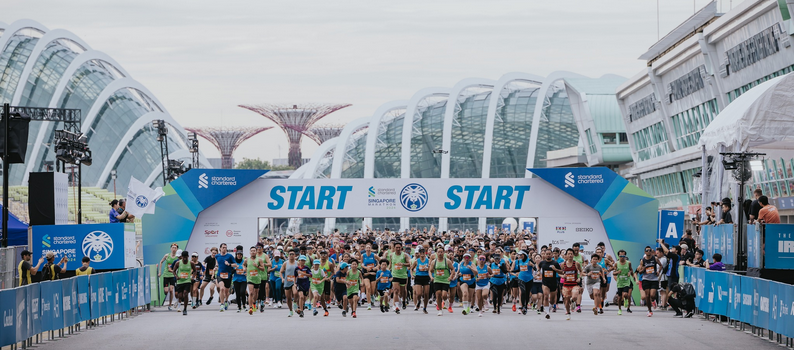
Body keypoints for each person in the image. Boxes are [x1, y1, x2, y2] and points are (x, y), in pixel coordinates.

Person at [637, 246, 662, 317]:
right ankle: (649, 310)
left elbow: (661, 265)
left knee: (652, 295)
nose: (648, 251)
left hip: (654, 279)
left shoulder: (655, 258)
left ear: (651, 251)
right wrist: (644, 268)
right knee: (647, 295)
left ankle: (653, 300)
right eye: (647, 250)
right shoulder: (643, 260)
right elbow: (640, 271)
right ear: (645, 252)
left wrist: (658, 272)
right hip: (646, 279)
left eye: (649, 250)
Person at [429, 245, 453, 316]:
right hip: (437, 279)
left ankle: (445, 300)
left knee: (444, 295)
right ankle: (440, 310)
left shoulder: (447, 261)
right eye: (438, 252)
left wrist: (451, 276)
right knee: (438, 294)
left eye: (441, 252)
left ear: (444, 253)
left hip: (445, 280)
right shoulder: (434, 261)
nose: (440, 253)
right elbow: (430, 270)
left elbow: (453, 269)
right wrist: (431, 277)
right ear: (436, 253)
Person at [539, 250, 562, 319]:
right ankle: (547, 313)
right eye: (547, 254)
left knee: (552, 300)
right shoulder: (542, 263)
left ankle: (549, 307)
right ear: (545, 255)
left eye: (549, 254)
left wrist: (555, 269)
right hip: (545, 282)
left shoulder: (555, 263)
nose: (548, 255)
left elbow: (561, 271)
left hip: (553, 283)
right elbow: (538, 269)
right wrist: (538, 272)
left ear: (552, 255)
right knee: (546, 295)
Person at [388, 241, 411, 313]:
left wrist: (403, 264)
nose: (398, 249)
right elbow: (390, 264)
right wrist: (388, 272)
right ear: (394, 248)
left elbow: (410, 264)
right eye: (396, 247)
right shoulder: (391, 255)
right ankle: (396, 306)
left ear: (401, 247)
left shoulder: (405, 255)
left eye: (399, 247)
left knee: (402, 291)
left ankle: (403, 301)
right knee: (395, 290)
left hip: (403, 275)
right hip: (395, 275)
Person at [172, 250, 196, 315]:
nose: (185, 258)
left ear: (188, 256)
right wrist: (176, 276)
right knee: (180, 296)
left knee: (185, 294)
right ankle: (180, 303)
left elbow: (195, 271)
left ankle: (185, 309)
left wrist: (193, 277)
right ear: (181, 257)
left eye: (186, 257)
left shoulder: (191, 263)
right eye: (183, 257)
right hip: (180, 281)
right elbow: (173, 271)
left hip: (187, 281)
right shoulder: (178, 263)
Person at [560, 249, 582, 320]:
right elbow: (559, 272)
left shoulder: (576, 263)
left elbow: (581, 271)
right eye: (568, 254)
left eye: (571, 254)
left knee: (575, 296)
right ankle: (568, 312)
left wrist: (579, 278)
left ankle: (573, 301)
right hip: (566, 285)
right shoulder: (563, 264)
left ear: (573, 255)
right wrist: (562, 276)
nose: (570, 255)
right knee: (566, 301)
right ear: (566, 255)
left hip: (574, 284)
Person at [158, 244, 179, 310]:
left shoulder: (177, 257)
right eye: (173, 248)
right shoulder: (167, 255)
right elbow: (161, 262)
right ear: (170, 249)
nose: (174, 249)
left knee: (171, 290)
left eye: (175, 248)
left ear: (177, 249)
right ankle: (166, 292)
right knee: (166, 291)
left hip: (173, 275)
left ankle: (170, 305)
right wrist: (160, 272)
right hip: (166, 275)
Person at [613, 250, 635, 315]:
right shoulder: (617, 263)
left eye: (623, 256)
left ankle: (626, 300)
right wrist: (617, 272)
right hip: (620, 282)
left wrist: (630, 273)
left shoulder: (628, 263)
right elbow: (614, 273)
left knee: (625, 294)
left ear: (625, 256)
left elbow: (631, 270)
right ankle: (619, 309)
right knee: (619, 298)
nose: (622, 257)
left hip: (626, 281)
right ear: (618, 256)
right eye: (620, 256)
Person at [215, 243, 235, 311]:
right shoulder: (217, 256)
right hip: (220, 275)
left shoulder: (230, 256)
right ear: (220, 248)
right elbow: (217, 264)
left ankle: (226, 301)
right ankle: (222, 304)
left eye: (225, 247)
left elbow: (235, 264)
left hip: (228, 275)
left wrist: (229, 264)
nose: (224, 249)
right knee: (222, 288)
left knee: (226, 292)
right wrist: (216, 267)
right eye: (223, 247)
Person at [410, 248, 431, 313]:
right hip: (418, 277)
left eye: (423, 252)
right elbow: (411, 269)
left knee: (426, 293)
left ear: (425, 253)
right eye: (421, 252)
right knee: (418, 293)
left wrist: (428, 269)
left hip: (426, 277)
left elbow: (431, 269)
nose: (422, 254)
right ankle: (419, 301)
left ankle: (425, 307)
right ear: (419, 253)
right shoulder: (416, 261)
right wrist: (412, 275)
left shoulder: (428, 260)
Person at [244, 247, 263, 315]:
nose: (253, 252)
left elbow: (263, 269)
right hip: (250, 278)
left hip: (257, 278)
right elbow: (243, 265)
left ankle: (254, 302)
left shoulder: (259, 260)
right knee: (251, 292)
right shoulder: (247, 260)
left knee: (256, 293)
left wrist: (257, 266)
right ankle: (250, 307)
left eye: (254, 251)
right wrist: (244, 269)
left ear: (256, 252)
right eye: (251, 251)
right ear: (249, 252)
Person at [489, 249, 508, 315]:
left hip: (501, 280)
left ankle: (499, 307)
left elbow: (505, 271)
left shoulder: (502, 264)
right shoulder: (491, 265)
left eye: (498, 259)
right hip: (494, 280)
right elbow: (488, 271)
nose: (497, 260)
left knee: (500, 295)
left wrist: (501, 267)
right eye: (496, 259)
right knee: (495, 294)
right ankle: (494, 307)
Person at [280, 249, 298, 317]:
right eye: (290, 254)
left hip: (294, 281)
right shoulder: (285, 263)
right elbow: (281, 272)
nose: (291, 256)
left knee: (295, 293)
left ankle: (295, 303)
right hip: (287, 281)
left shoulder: (297, 263)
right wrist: (282, 278)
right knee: (288, 298)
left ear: (295, 255)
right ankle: (290, 311)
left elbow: (300, 271)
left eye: (292, 254)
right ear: (288, 255)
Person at [230, 247, 248, 312]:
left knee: (242, 292)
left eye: (240, 255)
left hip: (243, 280)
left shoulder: (244, 262)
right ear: (236, 255)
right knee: (237, 293)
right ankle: (239, 307)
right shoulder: (234, 262)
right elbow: (230, 272)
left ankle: (244, 305)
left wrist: (246, 272)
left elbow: (248, 269)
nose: (239, 256)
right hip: (236, 280)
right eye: (238, 255)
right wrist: (234, 269)